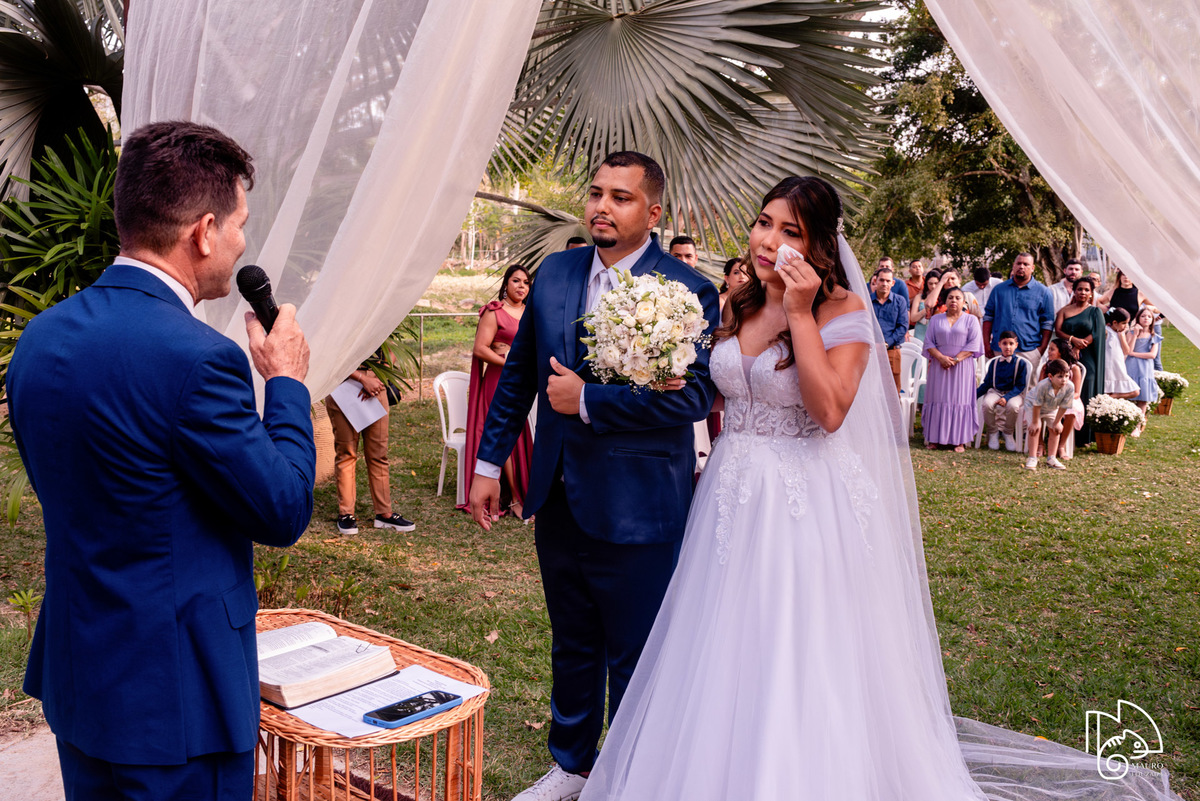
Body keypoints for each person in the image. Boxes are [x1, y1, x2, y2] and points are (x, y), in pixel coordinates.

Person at [579, 176, 1183, 801]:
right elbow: (720, 388)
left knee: (792, 639)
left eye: (792, 232)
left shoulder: (843, 312)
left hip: (801, 499)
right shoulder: (735, 304)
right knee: (717, 639)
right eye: (765, 223)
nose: (769, 240)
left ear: (820, 248)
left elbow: (831, 411)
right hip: (729, 492)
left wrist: (795, 312)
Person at [6, 121, 316, 799]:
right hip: (177, 704)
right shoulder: (199, 360)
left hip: (81, 679)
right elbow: (284, 507)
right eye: (237, 224)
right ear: (202, 231)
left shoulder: (39, 339)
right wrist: (286, 382)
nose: (240, 243)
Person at [469, 151, 720, 801]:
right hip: (556, 490)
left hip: (640, 501)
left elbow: (692, 399)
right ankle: (571, 766)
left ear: (653, 212)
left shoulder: (687, 290)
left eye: (622, 197)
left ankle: (638, 771)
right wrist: (489, 463)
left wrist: (587, 399)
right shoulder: (554, 273)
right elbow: (519, 376)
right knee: (572, 637)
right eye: (596, 193)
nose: (602, 206)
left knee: (636, 650)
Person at [459, 264, 534, 517]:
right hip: (499, 380)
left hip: (525, 381)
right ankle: (513, 499)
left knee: (521, 435)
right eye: (516, 281)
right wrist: (510, 361)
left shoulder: (531, 313)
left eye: (525, 282)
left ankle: (520, 491)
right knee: (505, 436)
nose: (521, 286)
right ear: (506, 284)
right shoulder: (495, 312)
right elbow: (481, 349)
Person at [326, 360, 417, 535]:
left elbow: (389, 347)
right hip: (343, 383)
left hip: (377, 385)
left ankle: (384, 513)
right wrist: (361, 379)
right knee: (346, 454)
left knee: (379, 454)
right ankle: (346, 514)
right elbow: (332, 354)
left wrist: (376, 379)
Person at [921, 287, 983, 452]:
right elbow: (928, 342)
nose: (954, 300)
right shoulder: (935, 320)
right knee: (937, 398)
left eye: (957, 298)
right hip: (938, 366)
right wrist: (941, 358)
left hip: (961, 367)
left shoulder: (971, 320)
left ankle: (959, 441)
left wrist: (955, 359)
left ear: (964, 302)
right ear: (945, 301)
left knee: (959, 400)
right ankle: (934, 439)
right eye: (950, 298)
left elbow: (974, 344)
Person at [1054, 275, 1105, 445]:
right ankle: (1058, 428)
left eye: (1086, 290)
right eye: (1079, 289)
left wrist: (1078, 346)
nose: (1083, 292)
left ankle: (1084, 435)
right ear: (1074, 291)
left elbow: (1097, 332)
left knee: (1086, 384)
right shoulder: (1064, 311)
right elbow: (1059, 331)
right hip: (1065, 354)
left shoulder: (1095, 311)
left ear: (1091, 293)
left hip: (1088, 354)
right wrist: (1072, 340)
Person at [982, 253, 1054, 365]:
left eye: (1026, 264)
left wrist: (1041, 350)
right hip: (999, 350)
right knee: (997, 382)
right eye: (1018, 263)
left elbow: (1048, 323)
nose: (1021, 267)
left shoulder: (1044, 292)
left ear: (1032, 268)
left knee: (1028, 383)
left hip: (1029, 351)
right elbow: (988, 317)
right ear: (1013, 266)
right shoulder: (998, 290)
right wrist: (986, 344)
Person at [976, 330, 1029, 451]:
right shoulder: (994, 363)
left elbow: (1020, 385)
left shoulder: (1020, 364)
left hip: (1014, 393)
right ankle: (993, 432)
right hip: (995, 391)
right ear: (999, 344)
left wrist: (1006, 398)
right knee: (987, 404)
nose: (1008, 347)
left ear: (1016, 344)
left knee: (1013, 406)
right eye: (1005, 343)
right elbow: (988, 383)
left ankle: (1008, 433)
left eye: (1011, 343)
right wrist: (974, 395)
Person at [1024, 359, 1074, 470]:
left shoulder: (1070, 387)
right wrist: (1036, 422)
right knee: (1035, 429)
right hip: (1033, 406)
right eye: (1060, 377)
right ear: (1050, 377)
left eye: (1066, 376)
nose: (1064, 380)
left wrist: (1057, 422)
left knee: (1055, 429)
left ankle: (1051, 458)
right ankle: (1032, 457)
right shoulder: (1043, 386)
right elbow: (1037, 404)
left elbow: (1064, 406)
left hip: (1051, 408)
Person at [870, 265, 908, 391]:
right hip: (870, 350)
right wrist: (873, 343)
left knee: (892, 392)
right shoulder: (866, 300)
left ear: (893, 283)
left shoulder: (900, 301)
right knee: (871, 389)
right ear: (875, 281)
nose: (884, 283)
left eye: (888, 281)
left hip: (891, 350)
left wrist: (886, 343)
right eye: (881, 280)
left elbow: (902, 327)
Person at [1125, 306, 1162, 432]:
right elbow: (1128, 350)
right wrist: (1135, 334)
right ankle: (1128, 423)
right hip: (1131, 366)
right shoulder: (1130, 334)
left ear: (1152, 319)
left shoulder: (1154, 336)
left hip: (1145, 368)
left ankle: (1138, 426)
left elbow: (1152, 355)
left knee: (1143, 399)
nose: (1146, 318)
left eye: (1149, 316)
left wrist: (1135, 354)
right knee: (1130, 396)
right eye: (1143, 316)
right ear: (1138, 318)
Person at [1104, 307, 1140, 400]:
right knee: (1107, 390)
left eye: (1127, 323)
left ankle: (1113, 397)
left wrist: (1122, 337)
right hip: (1109, 369)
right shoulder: (1107, 331)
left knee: (1135, 391)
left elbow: (1126, 351)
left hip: (1119, 368)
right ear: (1115, 323)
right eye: (1124, 323)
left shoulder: (1121, 333)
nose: (1126, 326)